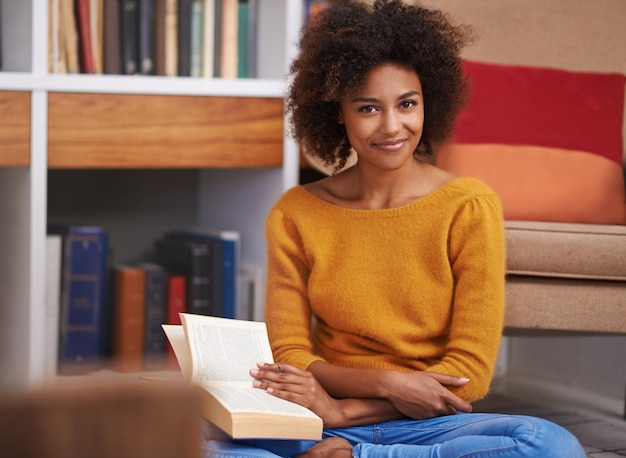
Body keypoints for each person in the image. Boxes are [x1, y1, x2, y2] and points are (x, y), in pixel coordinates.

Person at [202, 1, 587, 456]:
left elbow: (468, 374)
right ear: (337, 114)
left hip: (424, 422)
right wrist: (383, 384)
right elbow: (290, 355)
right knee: (188, 437)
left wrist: (348, 414)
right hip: (315, 417)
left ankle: (360, 455)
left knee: (547, 445)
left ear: (428, 103)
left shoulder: (468, 205)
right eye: (368, 108)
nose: (392, 126)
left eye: (407, 104)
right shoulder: (295, 213)